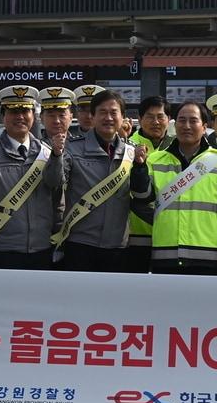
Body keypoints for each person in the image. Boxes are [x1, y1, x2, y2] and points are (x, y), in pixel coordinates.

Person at [140, 100, 217, 275]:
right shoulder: (154, 160)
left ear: (204, 127)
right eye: (182, 120)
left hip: (209, 256)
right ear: (174, 124)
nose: (187, 126)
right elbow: (142, 201)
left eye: (193, 121)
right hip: (165, 255)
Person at [0, 86, 64, 267]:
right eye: (13, 111)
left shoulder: (47, 153)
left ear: (34, 116)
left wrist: (58, 239)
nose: (20, 116)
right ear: (4, 117)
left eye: (25, 110)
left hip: (40, 248)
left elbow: (57, 200)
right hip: (0, 250)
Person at [56, 89, 152, 273]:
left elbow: (142, 195)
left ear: (123, 117)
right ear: (92, 116)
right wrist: (55, 155)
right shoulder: (72, 149)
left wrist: (140, 167)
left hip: (117, 245)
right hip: (80, 244)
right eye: (102, 112)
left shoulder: (131, 152)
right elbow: (55, 182)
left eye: (114, 112)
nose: (108, 117)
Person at [126, 95, 173, 272]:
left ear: (169, 119)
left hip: (170, 238)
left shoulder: (178, 147)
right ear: (139, 119)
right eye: (149, 116)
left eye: (161, 116)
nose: (156, 122)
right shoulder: (126, 146)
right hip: (134, 238)